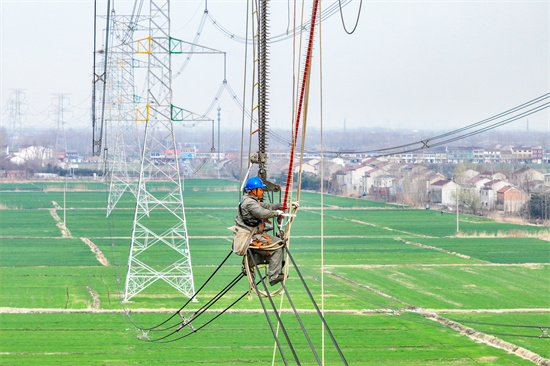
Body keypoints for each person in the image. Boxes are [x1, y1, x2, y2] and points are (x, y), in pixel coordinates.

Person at [236, 176, 285, 286]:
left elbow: (267, 206)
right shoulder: (249, 203)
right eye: (260, 189)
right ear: (254, 190)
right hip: (251, 237)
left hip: (253, 235)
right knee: (278, 247)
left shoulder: (251, 201)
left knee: (278, 242)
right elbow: (261, 213)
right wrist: (276, 213)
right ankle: (274, 276)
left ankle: (256, 260)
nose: (262, 192)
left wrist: (282, 206)